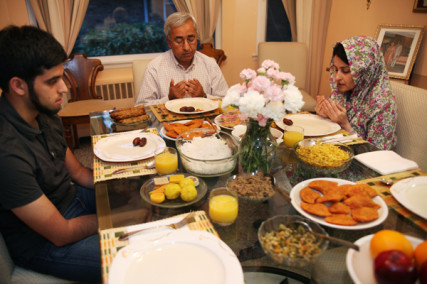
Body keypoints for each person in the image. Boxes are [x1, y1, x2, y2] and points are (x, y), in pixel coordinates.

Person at [0, 26, 100, 282]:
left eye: (62, 77)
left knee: (139, 198)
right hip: (44, 242)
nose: (64, 88)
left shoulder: (43, 113)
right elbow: (61, 232)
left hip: (71, 199)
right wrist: (115, 219)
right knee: (131, 252)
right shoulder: (7, 153)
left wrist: (124, 184)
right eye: (52, 81)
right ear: (18, 86)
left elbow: (78, 172)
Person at [315, 36, 397, 150]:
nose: (337, 77)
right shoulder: (343, 91)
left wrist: (346, 126)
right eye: (336, 69)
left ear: (365, 71)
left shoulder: (382, 104)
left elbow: (378, 155)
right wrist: (324, 115)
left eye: (346, 71)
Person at [135, 12, 228, 106]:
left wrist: (204, 96)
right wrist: (168, 99)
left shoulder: (210, 64)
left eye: (191, 39)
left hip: (204, 119)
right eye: (179, 41)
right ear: (169, 42)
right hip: (168, 120)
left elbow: (227, 102)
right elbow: (141, 107)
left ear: (197, 37)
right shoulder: (154, 68)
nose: (187, 47)